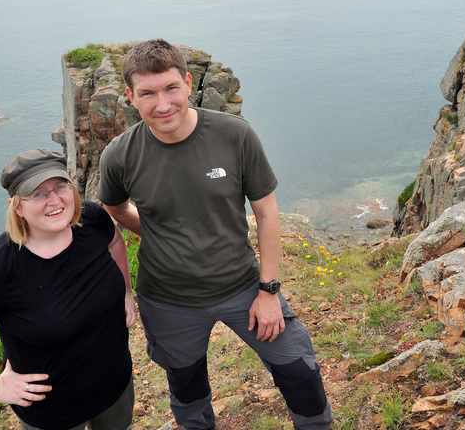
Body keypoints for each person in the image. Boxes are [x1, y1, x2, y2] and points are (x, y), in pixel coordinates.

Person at [99, 39, 332, 430]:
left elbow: (266, 210)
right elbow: (115, 208)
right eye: (148, 93)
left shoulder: (234, 135)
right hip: (169, 299)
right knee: (189, 395)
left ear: (188, 83)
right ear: (130, 96)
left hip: (243, 286)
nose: (162, 104)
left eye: (171, 88)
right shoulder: (120, 155)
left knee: (300, 373)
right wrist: (153, 232)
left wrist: (269, 290)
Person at [0, 150, 136, 430]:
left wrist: (125, 292)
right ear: (17, 206)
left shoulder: (92, 219)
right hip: (53, 413)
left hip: (115, 388)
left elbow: (114, 242)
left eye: (60, 186)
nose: (54, 200)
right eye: (37, 193)